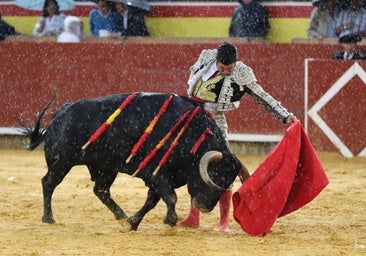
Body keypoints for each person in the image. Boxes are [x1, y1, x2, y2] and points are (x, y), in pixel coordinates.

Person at [178, 42, 298, 232]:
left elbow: (262, 96)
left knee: (225, 166)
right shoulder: (206, 58)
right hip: (192, 118)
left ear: (235, 63)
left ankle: (223, 222)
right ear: (216, 60)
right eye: (222, 67)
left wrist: (285, 115)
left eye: (229, 68)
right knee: (193, 164)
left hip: (214, 121)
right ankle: (194, 216)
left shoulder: (241, 74)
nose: (225, 71)